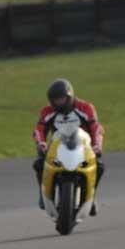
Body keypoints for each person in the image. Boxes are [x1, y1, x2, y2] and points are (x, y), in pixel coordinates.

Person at [32, 79, 105, 215]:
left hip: (82, 148)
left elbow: (96, 128)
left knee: (99, 166)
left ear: (70, 96)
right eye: (55, 100)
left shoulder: (85, 108)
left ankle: (91, 197)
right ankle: (43, 194)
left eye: (61, 99)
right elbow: (39, 129)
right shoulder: (47, 111)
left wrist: (97, 146)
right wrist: (41, 143)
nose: (58, 103)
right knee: (38, 163)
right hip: (57, 148)